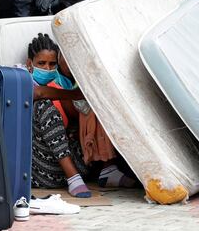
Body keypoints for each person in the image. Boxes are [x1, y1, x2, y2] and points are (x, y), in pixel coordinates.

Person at [27, 33, 136, 198]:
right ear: (30, 64)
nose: (47, 69)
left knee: (93, 101)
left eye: (52, 64)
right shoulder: (21, 78)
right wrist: (75, 95)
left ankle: (108, 169)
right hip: (43, 171)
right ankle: (73, 178)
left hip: (78, 164)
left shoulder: (62, 82)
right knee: (43, 106)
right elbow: (38, 93)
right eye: (41, 64)